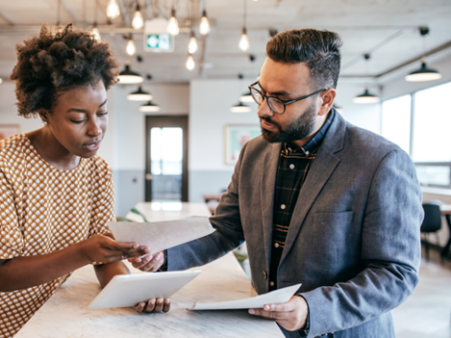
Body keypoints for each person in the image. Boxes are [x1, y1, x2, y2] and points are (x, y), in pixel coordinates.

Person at [131, 29, 422, 338]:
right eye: (262, 92)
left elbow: (396, 273)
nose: (263, 109)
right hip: (266, 329)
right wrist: (166, 256)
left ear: (325, 100)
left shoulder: (381, 161)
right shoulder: (253, 153)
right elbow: (227, 228)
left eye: (281, 100)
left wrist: (312, 309)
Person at [0, 24, 169, 338]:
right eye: (78, 118)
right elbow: (2, 275)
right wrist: (84, 251)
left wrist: (135, 292)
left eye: (102, 112)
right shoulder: (0, 163)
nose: (96, 129)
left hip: (32, 319)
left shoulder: (98, 172)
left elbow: (103, 259)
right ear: (44, 114)